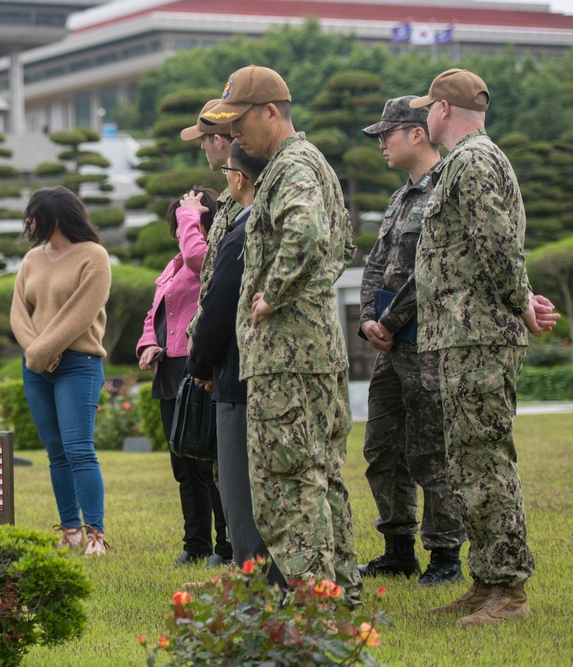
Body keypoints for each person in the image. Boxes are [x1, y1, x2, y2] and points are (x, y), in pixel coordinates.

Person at [200, 65, 362, 607]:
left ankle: (314, 600)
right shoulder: (305, 163)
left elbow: (311, 234)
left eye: (239, 122)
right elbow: (341, 242)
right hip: (308, 349)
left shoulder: (290, 166)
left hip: (288, 354)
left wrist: (272, 292)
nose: (233, 139)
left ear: (271, 111)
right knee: (318, 476)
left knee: (288, 482)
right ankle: (339, 592)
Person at [408, 69, 559, 627]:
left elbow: (496, 242)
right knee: (469, 463)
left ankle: (510, 592)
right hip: (464, 334)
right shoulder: (472, 160)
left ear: (443, 110)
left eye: (428, 107)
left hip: (477, 336)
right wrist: (521, 297)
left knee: (485, 462)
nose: (424, 116)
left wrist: (520, 302)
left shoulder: (471, 162)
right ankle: (488, 580)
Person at [356, 97, 466, 585]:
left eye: (388, 133)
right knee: (381, 447)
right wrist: (366, 320)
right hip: (390, 346)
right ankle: (397, 547)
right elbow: (376, 264)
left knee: (431, 452)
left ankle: (444, 556)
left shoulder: (448, 188)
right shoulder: (402, 197)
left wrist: (392, 319)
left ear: (417, 134)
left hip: (426, 343)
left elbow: (434, 270)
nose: (382, 142)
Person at [188, 142, 285, 586]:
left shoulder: (244, 230)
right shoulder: (271, 224)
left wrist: (200, 365)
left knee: (240, 490)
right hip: (268, 371)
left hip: (236, 376)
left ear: (239, 178)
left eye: (228, 169)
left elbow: (219, 308)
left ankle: (254, 581)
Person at [10, 187, 112, 556]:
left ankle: (95, 534)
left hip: (77, 365)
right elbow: (18, 312)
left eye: (33, 216)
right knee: (55, 451)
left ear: (54, 218)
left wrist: (44, 350)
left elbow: (81, 313)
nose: (28, 223)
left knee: (79, 449)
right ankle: (69, 530)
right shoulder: (32, 259)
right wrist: (36, 353)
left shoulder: (94, 256)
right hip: (36, 366)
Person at [137, 187, 232, 569]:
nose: (180, 229)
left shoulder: (211, 256)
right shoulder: (173, 264)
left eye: (186, 221)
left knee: (211, 462)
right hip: (169, 369)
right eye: (177, 222)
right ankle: (195, 544)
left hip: (199, 368)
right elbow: (154, 313)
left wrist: (190, 218)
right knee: (183, 463)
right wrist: (146, 344)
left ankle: (224, 546)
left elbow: (199, 260)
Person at [180, 99, 246, 338]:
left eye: (202, 140)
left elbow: (203, 261)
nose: (201, 148)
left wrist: (187, 215)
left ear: (217, 141)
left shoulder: (245, 195)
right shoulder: (234, 194)